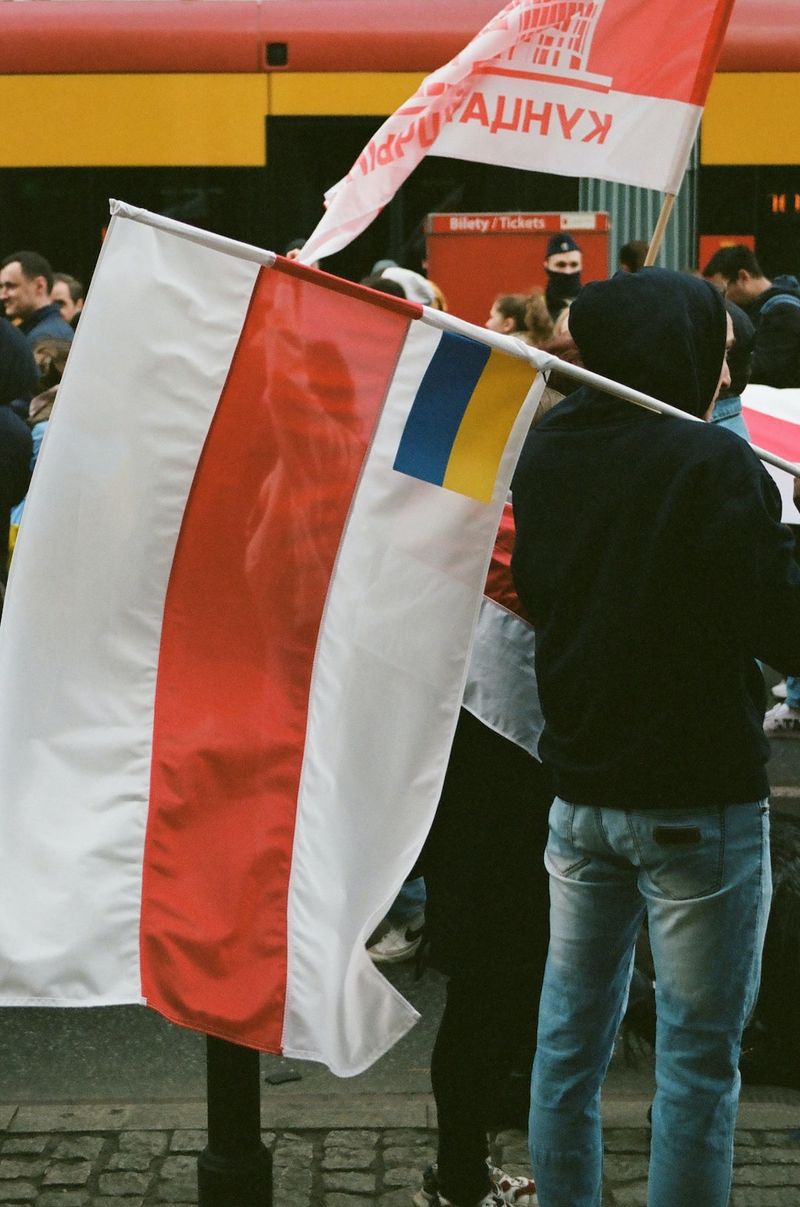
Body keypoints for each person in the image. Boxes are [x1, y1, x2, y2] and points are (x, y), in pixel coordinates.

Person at [511, 267, 800, 1207]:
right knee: (697, 1064)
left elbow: (548, 596)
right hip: (697, 799)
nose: (725, 366)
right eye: (716, 346)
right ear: (671, 351)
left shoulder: (549, 451)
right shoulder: (711, 463)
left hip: (583, 796)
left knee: (566, 1049)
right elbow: (778, 626)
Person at [702, 244, 800, 387]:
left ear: (743, 277)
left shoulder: (783, 311)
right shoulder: (765, 306)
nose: (721, 300)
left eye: (722, 291)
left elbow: (762, 366)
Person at [0, 251, 75, 346]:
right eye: (1, 287)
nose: (2, 296)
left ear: (40, 286)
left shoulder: (46, 338)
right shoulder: (46, 331)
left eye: (10, 286)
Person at [542, 233, 582, 324]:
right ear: (547, 265)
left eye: (574, 265)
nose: (568, 271)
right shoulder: (538, 308)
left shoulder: (591, 304)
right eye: (561, 265)